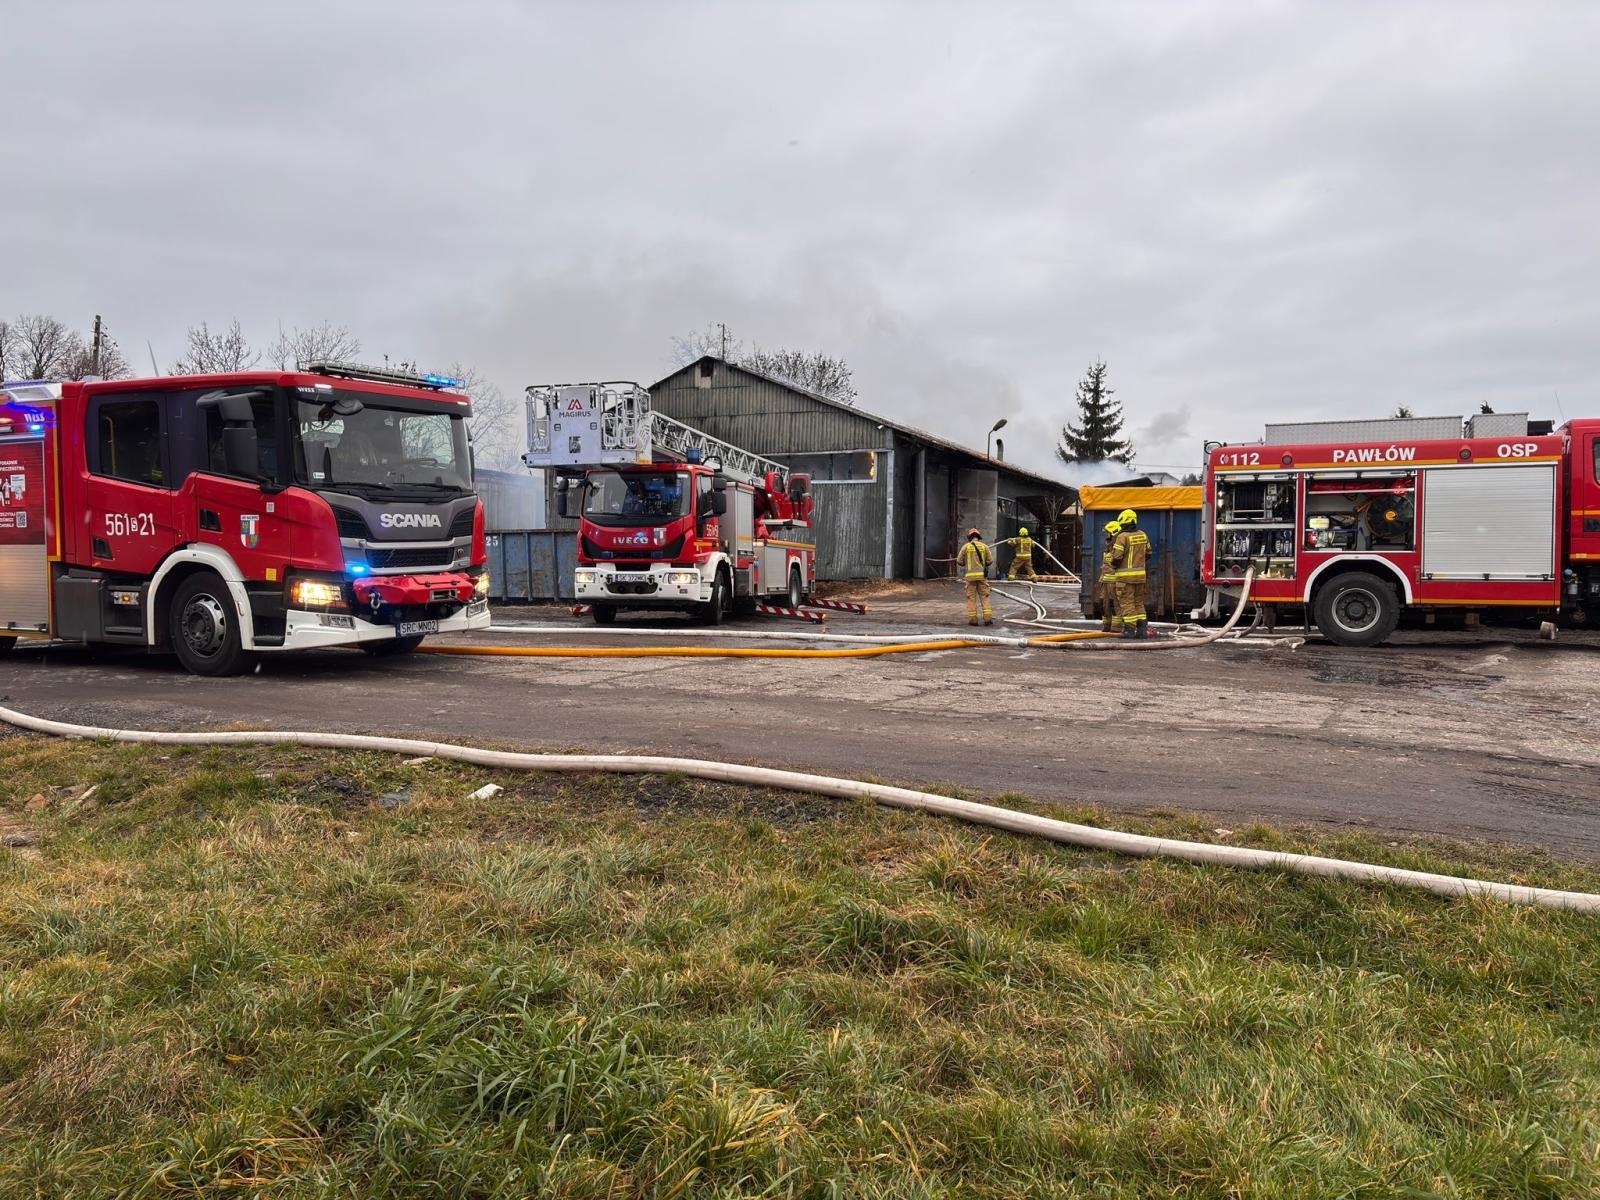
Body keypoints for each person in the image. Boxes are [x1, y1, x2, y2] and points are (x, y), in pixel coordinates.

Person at [1113, 507, 1150, 639]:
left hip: (1125, 578)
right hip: (1141, 577)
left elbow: (1116, 557)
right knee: (1138, 602)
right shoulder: (1143, 534)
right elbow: (1148, 553)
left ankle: (1129, 631)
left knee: (1127, 603)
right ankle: (1142, 631)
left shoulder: (1121, 537)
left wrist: (1113, 565)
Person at [956, 527, 993, 626]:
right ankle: (988, 619)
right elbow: (990, 561)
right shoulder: (984, 546)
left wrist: (967, 562)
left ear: (970, 537)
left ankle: (973, 620)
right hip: (982, 578)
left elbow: (959, 561)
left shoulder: (965, 547)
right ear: (978, 537)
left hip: (970, 578)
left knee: (971, 598)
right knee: (985, 597)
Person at [1097, 519, 1122, 632]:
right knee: (1103, 604)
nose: (1106, 535)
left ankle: (1116, 627)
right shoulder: (1108, 546)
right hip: (1104, 581)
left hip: (1114, 582)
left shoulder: (1118, 546)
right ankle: (1106, 625)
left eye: (1108, 532)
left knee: (1113, 604)